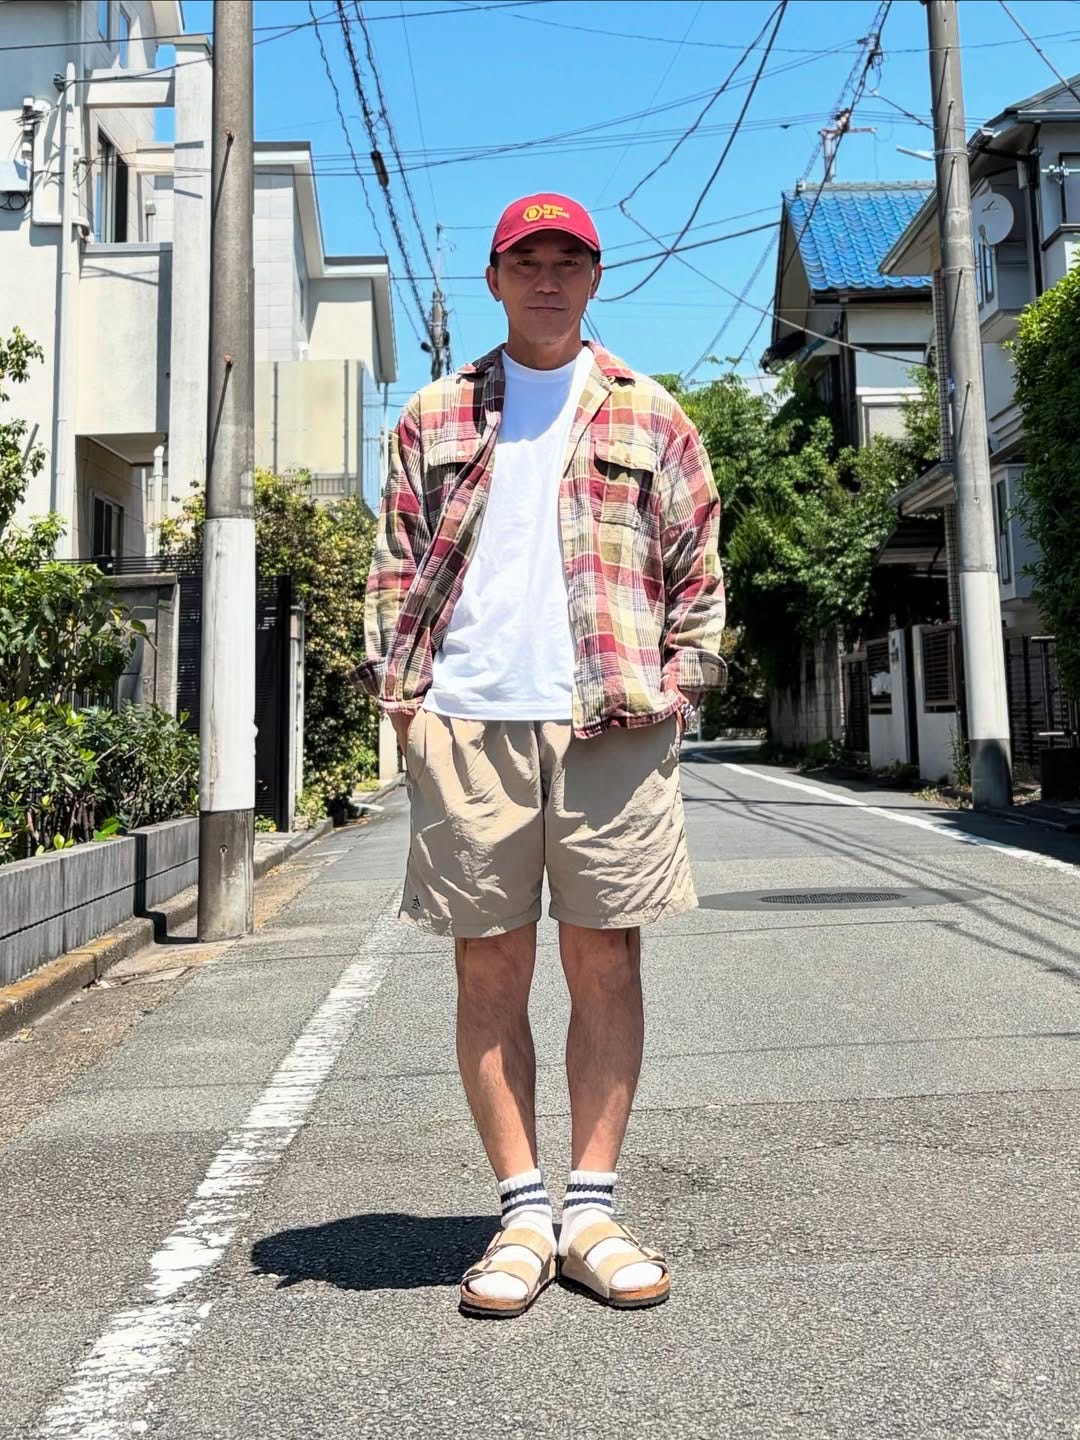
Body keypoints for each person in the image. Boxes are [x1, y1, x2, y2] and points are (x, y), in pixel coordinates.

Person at [358, 192, 726, 1317]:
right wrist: (407, 708)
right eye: (530, 261)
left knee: (606, 959)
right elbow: (392, 570)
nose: (550, 280)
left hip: (611, 718)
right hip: (469, 719)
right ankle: (522, 1213)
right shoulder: (433, 413)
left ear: (597, 277)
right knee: (489, 967)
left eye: (570, 261)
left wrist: (679, 691)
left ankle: (593, 1208)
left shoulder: (652, 414)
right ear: (497, 276)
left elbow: (698, 570)